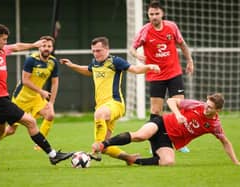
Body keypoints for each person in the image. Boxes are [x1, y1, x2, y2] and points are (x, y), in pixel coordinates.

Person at [0, 23, 72, 169]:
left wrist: (33, 44)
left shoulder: (1, 50)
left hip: (0, 98)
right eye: (4, 39)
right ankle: (53, 155)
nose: (6, 42)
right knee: (30, 122)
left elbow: (16, 46)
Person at [60, 36, 160, 164]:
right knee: (106, 147)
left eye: (99, 50)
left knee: (99, 116)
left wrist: (149, 67)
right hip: (102, 107)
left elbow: (134, 69)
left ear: (107, 49)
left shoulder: (115, 61)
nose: (96, 54)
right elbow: (89, 70)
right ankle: (130, 158)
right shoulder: (95, 62)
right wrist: (72, 65)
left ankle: (97, 144)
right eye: (94, 51)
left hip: (115, 103)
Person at [92, 93, 240, 166]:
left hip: (168, 139)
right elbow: (171, 100)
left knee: (167, 162)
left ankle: (132, 160)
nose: (206, 108)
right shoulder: (196, 105)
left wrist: (236, 162)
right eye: (207, 104)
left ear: (218, 111)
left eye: (210, 108)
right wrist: (178, 114)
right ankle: (103, 144)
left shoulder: (215, 125)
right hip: (161, 123)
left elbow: (225, 142)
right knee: (142, 135)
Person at [129, 1, 194, 152]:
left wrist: (190, 60)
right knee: (156, 111)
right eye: (151, 14)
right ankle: (155, 144)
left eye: (157, 14)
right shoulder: (145, 31)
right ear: (148, 15)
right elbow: (132, 48)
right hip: (156, 76)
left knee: (178, 108)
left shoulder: (171, 27)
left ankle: (180, 142)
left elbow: (182, 44)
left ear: (162, 14)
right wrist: (137, 55)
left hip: (174, 73)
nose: (154, 17)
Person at [0, 35, 59, 151]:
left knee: (50, 115)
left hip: (36, 97)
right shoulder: (31, 60)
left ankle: (40, 145)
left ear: (52, 48)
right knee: (11, 130)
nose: (46, 48)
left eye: (49, 46)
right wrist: (41, 91)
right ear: (39, 47)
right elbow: (25, 81)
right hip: (22, 98)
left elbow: (55, 83)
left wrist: (51, 103)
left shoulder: (53, 62)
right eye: (43, 45)